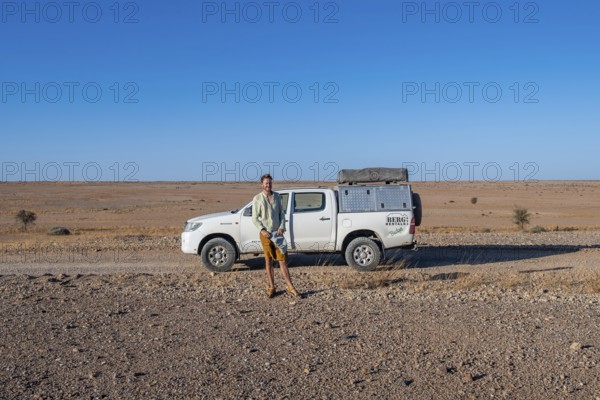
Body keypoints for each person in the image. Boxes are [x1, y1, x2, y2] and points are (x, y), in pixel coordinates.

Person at [252, 173, 301, 299]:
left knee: (282, 260)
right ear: (262, 184)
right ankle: (272, 287)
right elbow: (255, 218)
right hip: (266, 235)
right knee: (268, 261)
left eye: (270, 183)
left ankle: (291, 287)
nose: (268, 185)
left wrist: (281, 226)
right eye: (266, 183)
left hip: (278, 234)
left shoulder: (277, 196)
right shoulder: (257, 199)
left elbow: (282, 214)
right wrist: (262, 230)